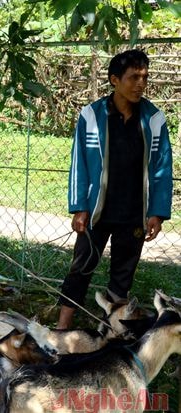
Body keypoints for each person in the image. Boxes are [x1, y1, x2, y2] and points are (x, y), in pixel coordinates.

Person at [57, 49, 173, 329]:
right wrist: (79, 207)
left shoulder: (154, 120)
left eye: (144, 77)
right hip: (97, 210)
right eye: (133, 77)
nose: (140, 84)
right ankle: (62, 327)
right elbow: (80, 164)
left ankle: (112, 330)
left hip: (134, 212)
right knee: (81, 266)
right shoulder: (92, 116)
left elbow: (162, 168)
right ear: (114, 80)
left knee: (123, 274)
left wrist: (156, 212)